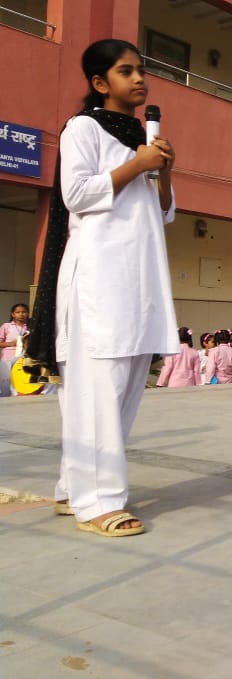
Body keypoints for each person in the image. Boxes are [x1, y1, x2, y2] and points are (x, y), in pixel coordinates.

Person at [26, 38, 178, 536]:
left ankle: (72, 488)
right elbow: (76, 194)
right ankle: (99, 502)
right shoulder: (83, 128)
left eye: (141, 70)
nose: (139, 79)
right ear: (99, 82)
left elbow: (163, 212)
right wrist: (137, 164)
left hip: (141, 279)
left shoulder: (143, 137)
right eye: (126, 71)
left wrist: (164, 171)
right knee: (98, 392)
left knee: (123, 389)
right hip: (99, 278)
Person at [0, 303, 30, 397]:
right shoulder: (6, 326)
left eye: (24, 312)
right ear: (13, 314)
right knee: (6, 381)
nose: (21, 314)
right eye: (18, 312)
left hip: (25, 358)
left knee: (21, 382)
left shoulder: (31, 327)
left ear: (28, 313)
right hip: (8, 358)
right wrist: (11, 344)